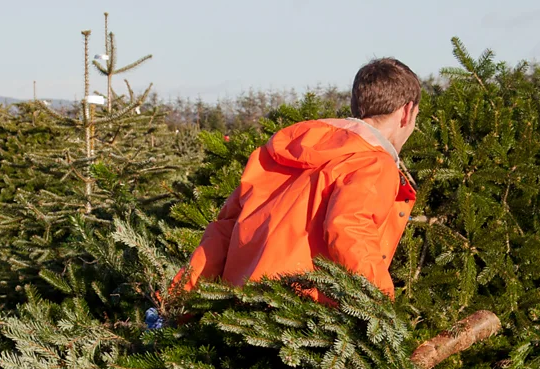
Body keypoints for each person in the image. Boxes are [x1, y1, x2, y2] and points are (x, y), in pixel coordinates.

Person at [170, 58, 421, 301]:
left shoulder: (277, 153)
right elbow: (349, 230)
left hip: (242, 307)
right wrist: (381, 309)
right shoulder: (374, 162)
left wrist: (174, 301)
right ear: (407, 111)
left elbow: (223, 231)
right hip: (302, 316)